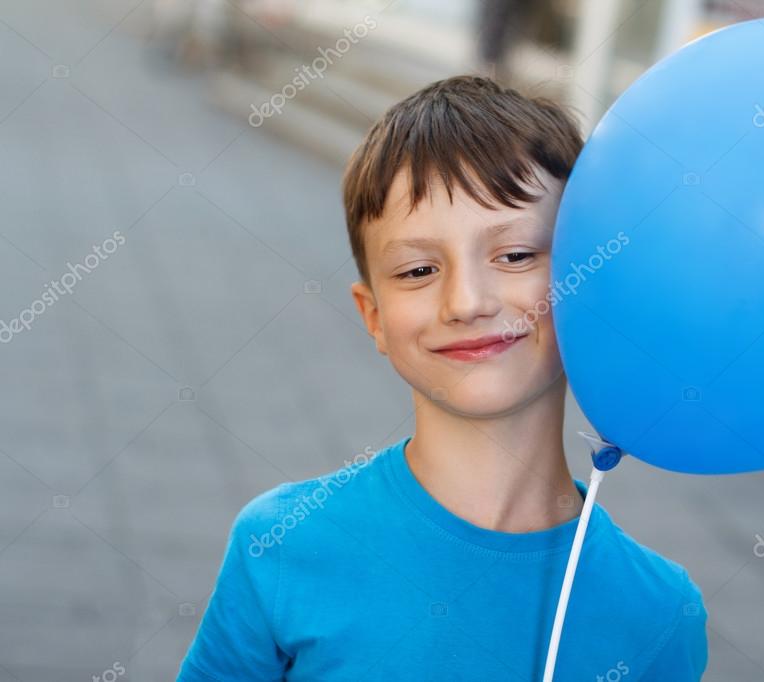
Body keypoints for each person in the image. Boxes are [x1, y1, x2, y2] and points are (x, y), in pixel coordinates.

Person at [176, 75, 708, 681]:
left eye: (515, 255)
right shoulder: (280, 546)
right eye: (418, 269)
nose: (467, 301)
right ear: (373, 317)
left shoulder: (658, 612)